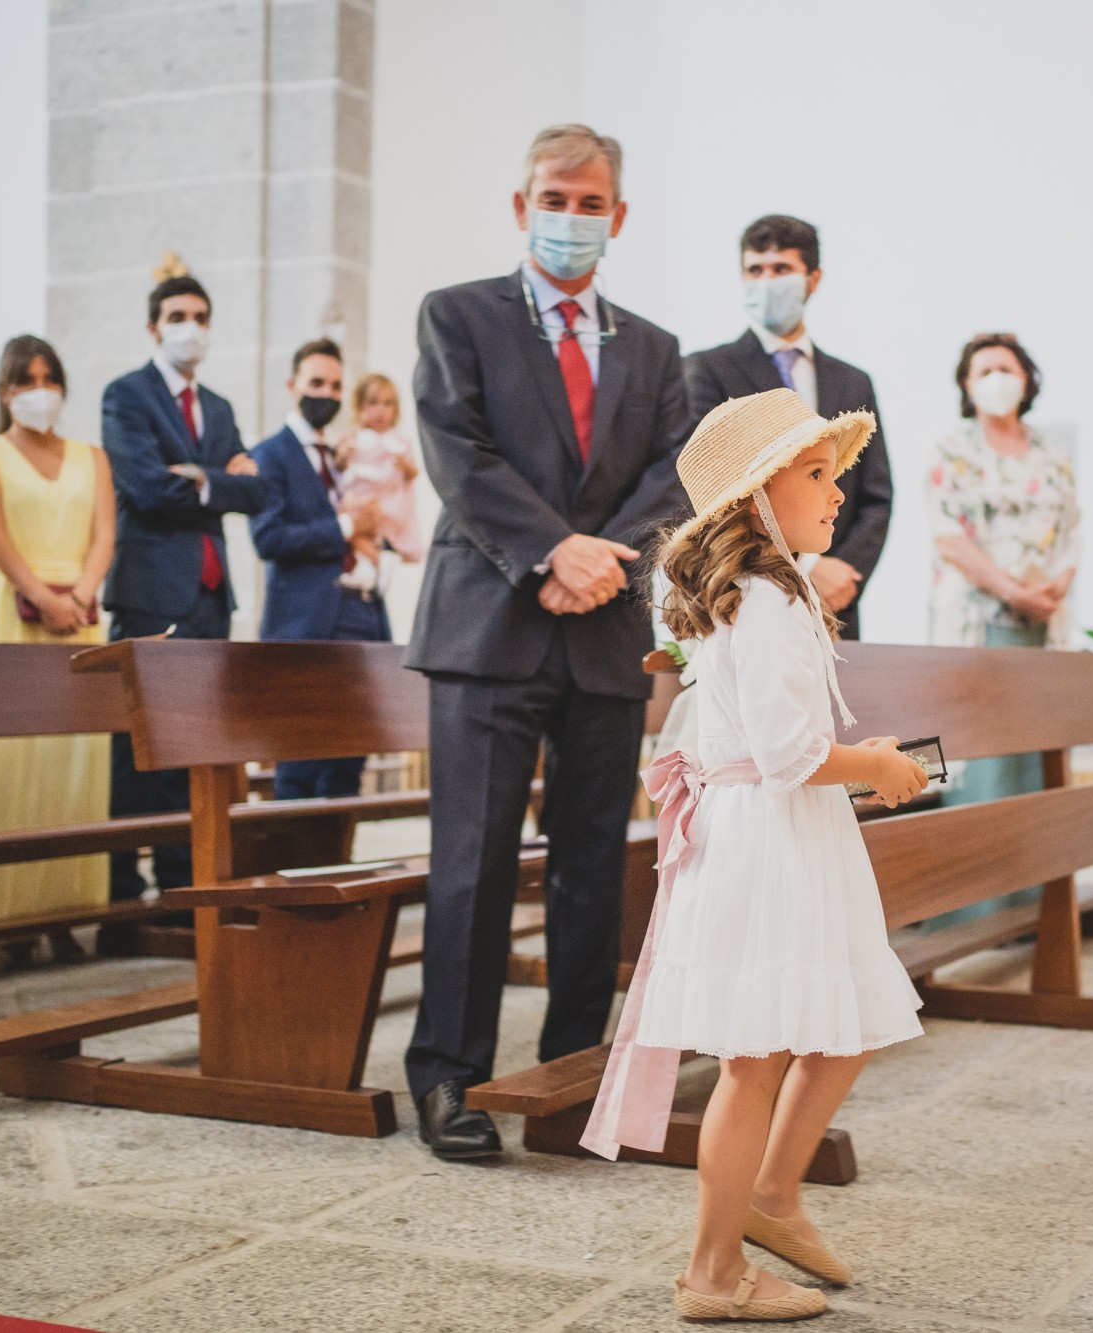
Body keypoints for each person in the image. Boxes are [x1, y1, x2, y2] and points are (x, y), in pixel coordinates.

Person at [582, 388, 926, 1322]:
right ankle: (712, 1269)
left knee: (839, 1023)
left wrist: (858, 761)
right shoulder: (768, 596)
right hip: (769, 838)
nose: (836, 492)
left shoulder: (775, 589)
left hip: (786, 835)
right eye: (814, 474)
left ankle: (773, 1196)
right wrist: (879, 766)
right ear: (755, 498)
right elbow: (788, 754)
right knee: (756, 1058)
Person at [403, 123, 689, 1159]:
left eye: (590, 201)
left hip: (605, 630)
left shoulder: (653, 348)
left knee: (589, 866)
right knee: (471, 865)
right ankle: (449, 1077)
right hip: (487, 625)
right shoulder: (458, 316)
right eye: (553, 199)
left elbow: (670, 473)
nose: (571, 217)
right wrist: (550, 552)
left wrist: (600, 557)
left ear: (618, 215)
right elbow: (458, 452)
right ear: (521, 206)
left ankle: (573, 1075)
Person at [100, 264, 269, 903]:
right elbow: (143, 486)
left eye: (200, 318)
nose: (189, 329)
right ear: (153, 326)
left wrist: (196, 478)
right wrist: (216, 479)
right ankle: (122, 891)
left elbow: (256, 491)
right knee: (138, 747)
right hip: (150, 587)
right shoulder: (127, 396)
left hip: (208, 593)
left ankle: (181, 888)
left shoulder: (218, 407)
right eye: (177, 318)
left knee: (196, 744)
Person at [923, 332, 1080, 927]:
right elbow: (949, 535)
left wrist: (1055, 584)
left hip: (1042, 627)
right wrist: (1012, 590)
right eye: (982, 369)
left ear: (1027, 378)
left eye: (1005, 367)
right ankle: (966, 912)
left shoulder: (1050, 453)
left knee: (1032, 767)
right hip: (976, 624)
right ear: (966, 384)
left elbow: (1073, 528)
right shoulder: (952, 450)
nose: (995, 378)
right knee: (977, 765)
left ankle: (1032, 914)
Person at [0, 335, 115, 924]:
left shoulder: (91, 457)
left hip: (80, 613)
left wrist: (76, 594)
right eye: (26, 381)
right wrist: (41, 597)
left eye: (49, 380)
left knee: (74, 758)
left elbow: (104, 534)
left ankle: (70, 909)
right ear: (5, 391)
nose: (39, 392)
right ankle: (4, 912)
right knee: (13, 757)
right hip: (16, 610)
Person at [683, 215, 892, 639]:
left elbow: (875, 496)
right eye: (755, 270)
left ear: (812, 279)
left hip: (837, 601)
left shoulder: (852, 381)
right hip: (748, 589)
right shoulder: (708, 370)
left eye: (781, 270)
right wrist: (806, 566)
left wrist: (842, 572)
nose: (767, 281)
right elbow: (711, 490)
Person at [251, 337, 386, 799]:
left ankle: (338, 868)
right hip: (305, 623)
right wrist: (346, 526)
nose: (325, 394)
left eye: (334, 386)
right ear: (292, 386)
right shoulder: (270, 454)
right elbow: (268, 538)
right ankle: (294, 871)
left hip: (361, 615)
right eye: (316, 383)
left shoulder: (344, 456)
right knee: (302, 764)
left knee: (349, 763)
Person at [337, 372, 425, 570]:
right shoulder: (354, 437)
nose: (380, 411)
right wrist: (344, 454)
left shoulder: (399, 442)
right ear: (359, 407)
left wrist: (404, 465)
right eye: (373, 403)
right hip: (360, 504)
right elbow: (339, 469)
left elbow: (413, 473)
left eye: (387, 404)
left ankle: (377, 564)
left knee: (382, 555)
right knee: (358, 547)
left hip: (390, 508)